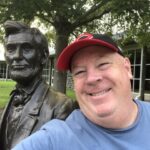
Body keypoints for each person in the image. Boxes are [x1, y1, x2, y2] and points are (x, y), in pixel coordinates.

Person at [12, 32, 150, 150]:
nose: (91, 78)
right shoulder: (56, 139)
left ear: (127, 68)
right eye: (80, 71)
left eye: (103, 64)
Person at [0, 20, 78, 150]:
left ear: (44, 56)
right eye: (11, 49)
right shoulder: (9, 104)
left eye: (26, 49)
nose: (17, 56)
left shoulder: (62, 107)